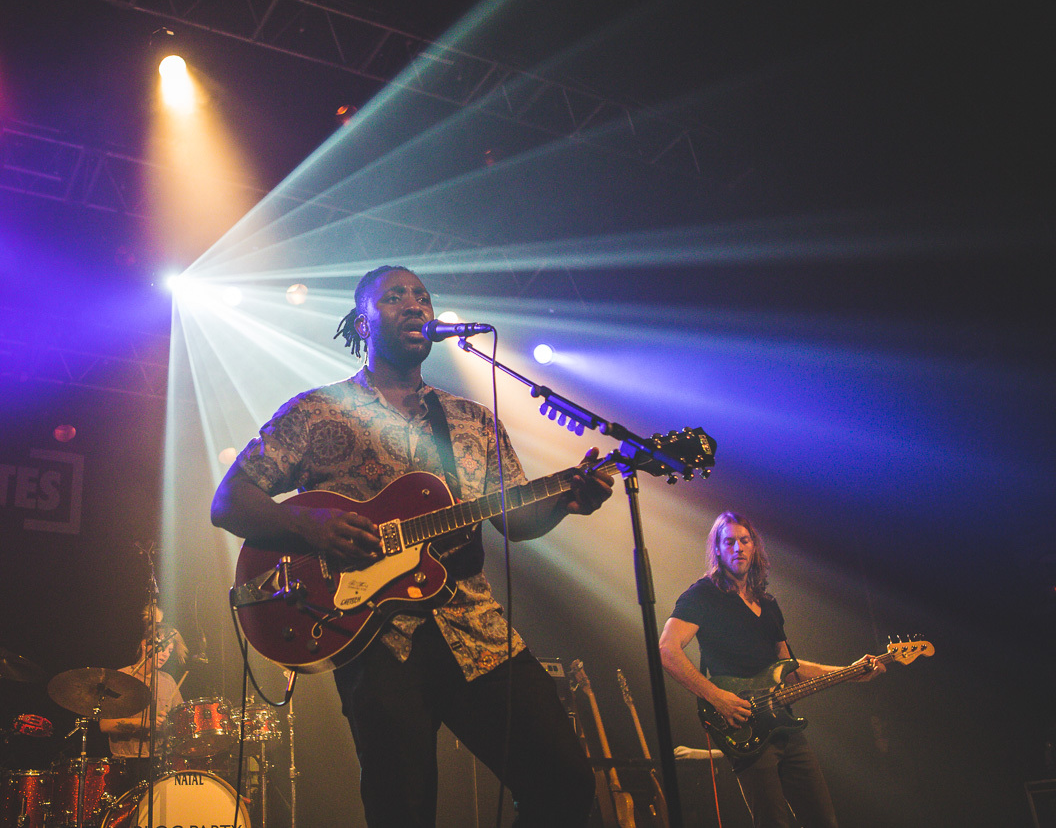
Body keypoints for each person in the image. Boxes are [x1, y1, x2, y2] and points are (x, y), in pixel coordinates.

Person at [210, 265, 614, 828]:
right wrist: (314, 528)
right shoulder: (317, 411)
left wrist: (569, 499)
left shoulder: (473, 420)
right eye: (395, 296)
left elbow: (515, 522)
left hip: (476, 628)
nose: (414, 305)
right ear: (361, 321)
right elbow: (228, 502)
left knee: (566, 780)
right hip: (373, 636)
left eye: (422, 296)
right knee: (402, 809)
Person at [658, 511, 884, 828]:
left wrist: (849, 670)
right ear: (718, 550)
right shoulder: (703, 595)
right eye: (729, 542)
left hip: (784, 724)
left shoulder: (769, 603)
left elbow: (789, 669)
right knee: (773, 822)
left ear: (755, 547)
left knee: (823, 819)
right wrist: (716, 696)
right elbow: (667, 649)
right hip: (744, 723)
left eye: (744, 540)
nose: (738, 547)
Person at [100, 605, 186, 761]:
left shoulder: (168, 681)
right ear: (144, 644)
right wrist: (146, 723)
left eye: (170, 650)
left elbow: (181, 722)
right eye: (163, 647)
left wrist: (168, 725)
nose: (165, 654)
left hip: (159, 761)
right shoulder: (122, 676)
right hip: (124, 761)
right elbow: (105, 724)